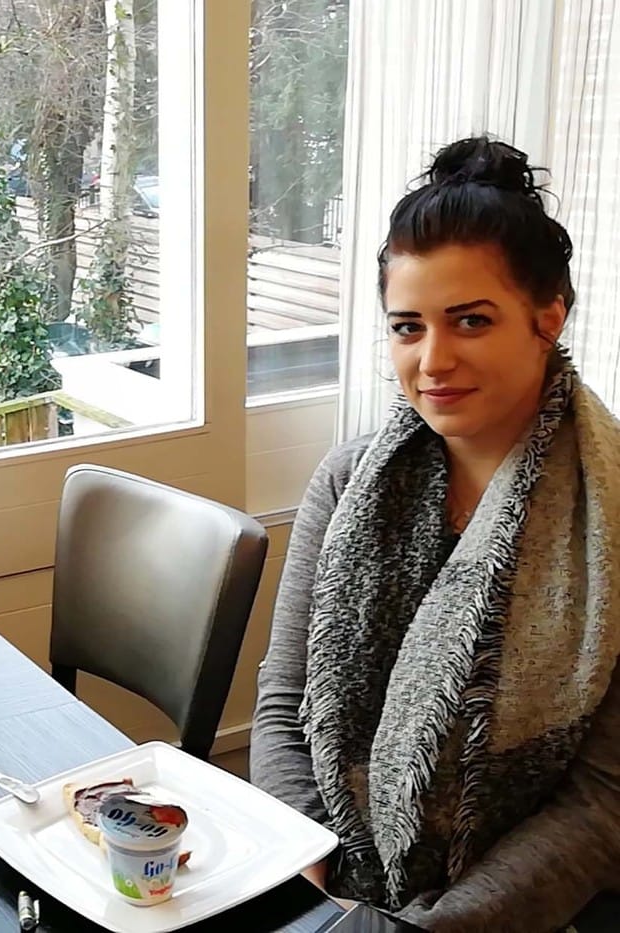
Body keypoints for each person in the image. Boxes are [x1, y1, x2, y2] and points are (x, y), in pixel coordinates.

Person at [251, 136, 620, 932]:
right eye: (407, 327)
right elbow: (283, 706)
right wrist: (309, 871)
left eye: (471, 321)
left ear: (548, 317)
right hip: (334, 891)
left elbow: (604, 802)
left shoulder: (613, 517)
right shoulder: (349, 481)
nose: (432, 360)